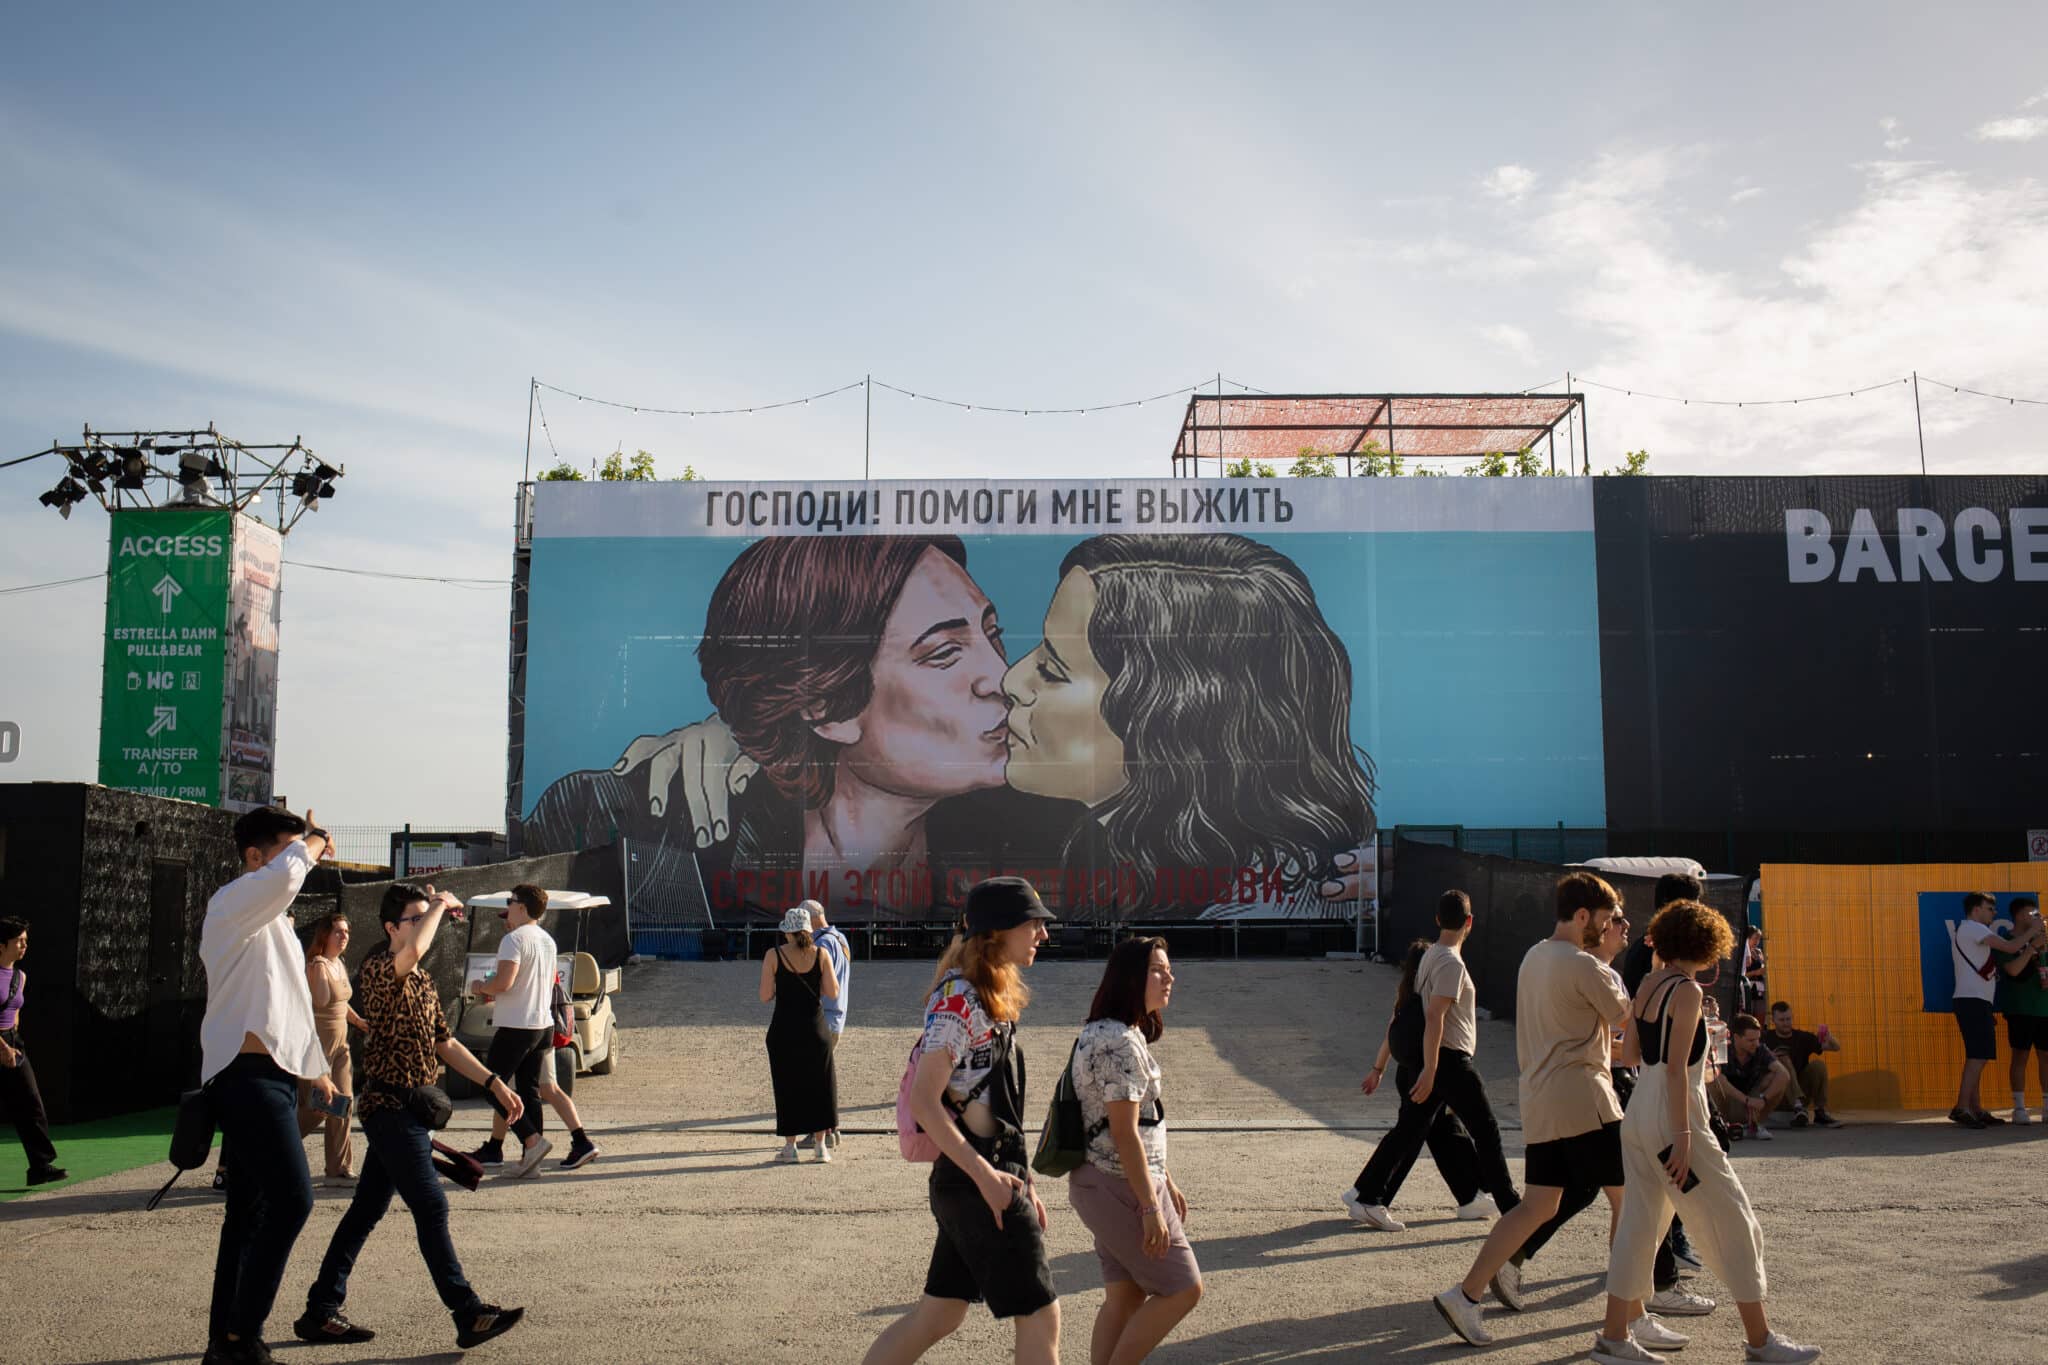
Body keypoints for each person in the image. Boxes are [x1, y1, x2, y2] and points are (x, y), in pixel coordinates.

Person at [1001, 533, 1377, 917]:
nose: (1011, 681)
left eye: (1051, 669)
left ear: (1168, 713)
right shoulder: (1130, 861)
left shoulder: (1262, 911)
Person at [296, 883, 526, 1351]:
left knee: (365, 1211)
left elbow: (446, 1042)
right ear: (389, 928)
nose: (424, 927)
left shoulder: (420, 980)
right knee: (431, 1205)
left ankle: (320, 1310)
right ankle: (468, 1312)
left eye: (426, 918)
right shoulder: (382, 967)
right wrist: (440, 904)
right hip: (389, 1109)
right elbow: (415, 948)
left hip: (409, 1112)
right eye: (414, 919)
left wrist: (493, 1083)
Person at [1592, 899, 1822, 1364]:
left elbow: (1632, 1054)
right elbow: (1678, 1070)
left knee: (1641, 1225)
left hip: (1640, 1111)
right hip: (1676, 1113)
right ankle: (1760, 1341)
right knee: (1735, 1220)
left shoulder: (1649, 984)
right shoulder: (1688, 992)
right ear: (1706, 942)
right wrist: (1683, 1135)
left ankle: (1614, 1335)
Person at [861, 877, 1059, 1365]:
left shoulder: (987, 999)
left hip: (979, 1178)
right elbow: (927, 1103)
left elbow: (998, 1110)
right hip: (976, 1181)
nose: (1043, 934)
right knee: (1040, 1316)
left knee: (941, 1313)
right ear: (998, 931)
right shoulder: (959, 1001)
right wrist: (990, 1178)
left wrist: (1022, 1177)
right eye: (1034, 923)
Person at [1434, 871, 1630, 1349]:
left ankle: (1466, 1294)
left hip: (1540, 1097)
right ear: (1583, 916)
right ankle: (1627, 1322)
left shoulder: (1533, 957)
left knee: (1539, 1204)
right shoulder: (1587, 965)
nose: (1608, 930)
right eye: (1604, 921)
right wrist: (1607, 958)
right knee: (1632, 1204)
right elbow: (1626, 1018)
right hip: (1586, 1098)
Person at [198, 806, 338, 1365]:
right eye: (287, 847)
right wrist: (318, 839)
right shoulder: (231, 904)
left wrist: (316, 1068)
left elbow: (293, 1007)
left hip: (274, 1078)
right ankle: (242, 1336)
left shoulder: (274, 922)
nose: (299, 858)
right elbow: (285, 877)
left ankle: (223, 1343)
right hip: (244, 1076)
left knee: (249, 1214)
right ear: (254, 856)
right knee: (293, 1200)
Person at [1344, 891, 1518, 1232]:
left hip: (1437, 1057)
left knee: (1419, 1130)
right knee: (1485, 1129)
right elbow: (1435, 1015)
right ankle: (1510, 1205)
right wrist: (1432, 1069)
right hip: (1450, 1059)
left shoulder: (1430, 956)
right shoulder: (1450, 962)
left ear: (1438, 920)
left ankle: (1373, 1195)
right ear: (1470, 922)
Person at [1067, 937, 1203, 1363]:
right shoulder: (1118, 1042)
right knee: (1183, 1288)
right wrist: (1150, 1207)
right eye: (1158, 970)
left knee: (1124, 1298)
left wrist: (1166, 1178)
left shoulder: (1114, 1032)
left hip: (1108, 1181)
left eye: (1169, 969)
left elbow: (1136, 1125)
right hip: (1120, 1186)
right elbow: (1124, 1133)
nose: (1169, 978)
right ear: (1131, 977)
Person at [471, 885, 599, 1174]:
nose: (508, 906)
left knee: (493, 1088)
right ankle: (531, 1156)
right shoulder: (547, 940)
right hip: (542, 1025)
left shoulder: (513, 939)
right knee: (529, 1090)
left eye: (511, 901)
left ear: (522, 907)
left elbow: (503, 983)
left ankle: (531, 1142)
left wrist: (481, 987)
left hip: (518, 1024)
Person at [761, 904, 840, 1162]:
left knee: (788, 1087)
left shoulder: (773, 955)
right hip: (815, 1029)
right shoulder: (821, 955)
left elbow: (764, 996)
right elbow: (833, 992)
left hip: (784, 1029)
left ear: (788, 932)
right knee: (820, 1086)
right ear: (808, 931)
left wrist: (778, 988)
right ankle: (820, 1146)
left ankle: (790, 1147)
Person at [297, 913, 368, 1186]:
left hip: (341, 1046)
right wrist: (320, 970)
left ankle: (338, 1169)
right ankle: (272, 1148)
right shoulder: (317, 965)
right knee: (318, 1107)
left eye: (347, 931)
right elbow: (323, 1000)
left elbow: (342, 1002)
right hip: (317, 1046)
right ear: (325, 935)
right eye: (338, 931)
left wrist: (359, 1021)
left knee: (344, 1103)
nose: (344, 936)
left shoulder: (338, 963)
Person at [1949, 892, 2025, 1129]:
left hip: (1977, 1000)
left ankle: (1975, 1108)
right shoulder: (1974, 928)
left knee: (1978, 1054)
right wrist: (2034, 932)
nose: (1994, 913)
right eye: (1989, 908)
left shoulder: (1971, 930)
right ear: (1975, 910)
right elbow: (2011, 947)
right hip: (1971, 1000)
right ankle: (1962, 1107)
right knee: (1978, 1056)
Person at [0, 916, 63, 1186]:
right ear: (1, 945)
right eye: (19, 941)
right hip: (0, 1044)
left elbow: (15, 1013)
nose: (24, 946)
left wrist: (12, 1042)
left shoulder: (19, 976)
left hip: (13, 1044)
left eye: (26, 941)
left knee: (31, 1103)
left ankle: (40, 1166)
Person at [1993, 898, 2047, 1125]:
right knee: (2020, 1056)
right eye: (2033, 914)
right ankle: (2019, 1108)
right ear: (2019, 916)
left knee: (2046, 1057)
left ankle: (2046, 1106)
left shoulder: (2044, 941)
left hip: (2044, 1008)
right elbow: (2013, 970)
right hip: (2019, 1008)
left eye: (2039, 915)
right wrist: (2032, 947)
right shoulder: (2006, 941)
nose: (2038, 918)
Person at [802, 899, 851, 1150]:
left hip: (823, 1017)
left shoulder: (822, 945)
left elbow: (818, 983)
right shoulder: (841, 939)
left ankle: (818, 1131)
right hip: (837, 1017)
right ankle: (831, 1129)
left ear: (810, 920)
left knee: (814, 1077)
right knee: (824, 1075)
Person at [1708, 1016, 1792, 1141]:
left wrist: (1763, 1100)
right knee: (1712, 1077)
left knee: (1775, 1077)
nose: (1756, 1044)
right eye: (1751, 1040)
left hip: (1752, 1105)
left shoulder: (1760, 1049)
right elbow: (1717, 1077)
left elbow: (1783, 1074)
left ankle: (1755, 1124)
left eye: (1758, 1039)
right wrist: (1746, 1100)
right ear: (1736, 1038)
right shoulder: (1723, 1048)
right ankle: (1721, 1125)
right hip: (1730, 1102)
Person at [1620, 873, 1703, 997]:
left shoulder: (1664, 946)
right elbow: (1645, 1004)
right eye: (1693, 908)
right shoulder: (1650, 948)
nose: (1699, 914)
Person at [1765, 1002, 1842, 1129]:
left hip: (1801, 1091)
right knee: (1783, 1059)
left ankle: (1819, 1111)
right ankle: (1797, 1106)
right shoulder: (1766, 1038)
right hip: (1777, 1094)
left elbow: (1835, 1047)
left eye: (1788, 1019)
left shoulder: (1802, 1037)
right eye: (1782, 1020)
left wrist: (1829, 1037)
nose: (1786, 1023)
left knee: (1818, 1065)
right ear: (1773, 1020)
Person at [1740, 927, 1767, 1016]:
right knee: (1748, 1015)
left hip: (1759, 990)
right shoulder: (1742, 953)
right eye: (1755, 938)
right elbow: (1741, 975)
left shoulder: (1758, 952)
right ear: (1748, 938)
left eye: (1759, 939)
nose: (1757, 941)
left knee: (1760, 1015)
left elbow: (1763, 968)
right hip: (1747, 989)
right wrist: (1755, 972)